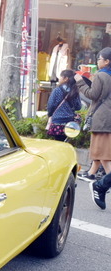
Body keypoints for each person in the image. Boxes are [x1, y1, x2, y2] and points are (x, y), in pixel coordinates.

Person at [76, 47, 111, 182]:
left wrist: (80, 81)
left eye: (99, 59)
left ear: (107, 61)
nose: (97, 61)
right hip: (107, 117)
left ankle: (106, 181)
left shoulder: (101, 75)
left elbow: (92, 94)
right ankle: (91, 173)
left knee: (102, 152)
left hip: (101, 117)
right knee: (100, 148)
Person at [46, 69, 81, 142]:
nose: (59, 79)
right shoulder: (75, 91)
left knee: (58, 142)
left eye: (61, 77)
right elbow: (78, 107)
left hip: (57, 122)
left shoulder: (57, 90)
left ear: (66, 79)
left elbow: (51, 105)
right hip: (70, 123)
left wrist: (50, 114)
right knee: (66, 142)